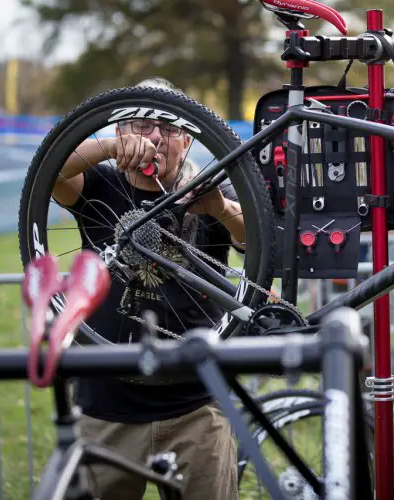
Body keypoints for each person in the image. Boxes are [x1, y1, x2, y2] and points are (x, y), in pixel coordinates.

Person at [51, 77, 241, 499]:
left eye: (169, 127)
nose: (155, 136)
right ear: (120, 130)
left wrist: (221, 208)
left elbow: (257, 239)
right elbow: (49, 168)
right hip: (106, 404)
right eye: (139, 123)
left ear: (187, 139)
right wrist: (107, 148)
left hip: (196, 404)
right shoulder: (98, 183)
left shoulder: (209, 188)